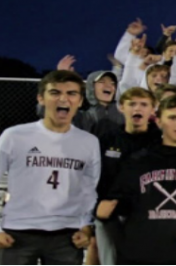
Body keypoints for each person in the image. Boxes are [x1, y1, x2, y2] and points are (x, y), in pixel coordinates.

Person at [94, 95, 176, 264]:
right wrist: (108, 210)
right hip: (142, 256)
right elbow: (122, 202)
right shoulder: (137, 161)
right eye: (172, 117)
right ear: (158, 121)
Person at [0, 71, 100, 265]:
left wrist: (86, 226)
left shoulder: (89, 142)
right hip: (17, 232)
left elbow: (89, 189)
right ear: (41, 98)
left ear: (80, 101)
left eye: (71, 93)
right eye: (55, 92)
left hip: (67, 235)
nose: (63, 98)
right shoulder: (14, 136)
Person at [93, 87, 162, 265]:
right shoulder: (107, 139)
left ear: (153, 109)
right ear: (121, 107)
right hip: (110, 215)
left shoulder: (161, 140)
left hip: (149, 216)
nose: (137, 109)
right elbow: (94, 177)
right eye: (132, 104)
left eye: (144, 104)